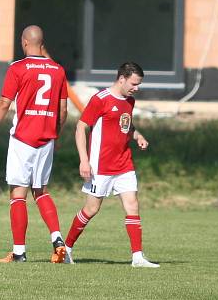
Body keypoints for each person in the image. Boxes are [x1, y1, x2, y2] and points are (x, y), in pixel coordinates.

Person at [0, 25, 68, 263]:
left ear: (24, 42)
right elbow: (63, 110)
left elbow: (4, 103)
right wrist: (55, 135)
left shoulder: (17, 68)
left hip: (23, 139)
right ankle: (58, 238)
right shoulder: (58, 70)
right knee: (41, 190)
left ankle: (19, 251)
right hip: (46, 138)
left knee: (18, 194)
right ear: (42, 41)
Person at [63, 62, 159, 268]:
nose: (137, 88)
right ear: (122, 79)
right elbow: (81, 128)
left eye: (139, 84)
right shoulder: (100, 99)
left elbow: (126, 124)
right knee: (91, 209)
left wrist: (138, 135)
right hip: (101, 165)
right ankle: (66, 248)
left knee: (132, 204)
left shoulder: (129, 101)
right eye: (134, 83)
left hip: (124, 163)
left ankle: (137, 257)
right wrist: (84, 160)